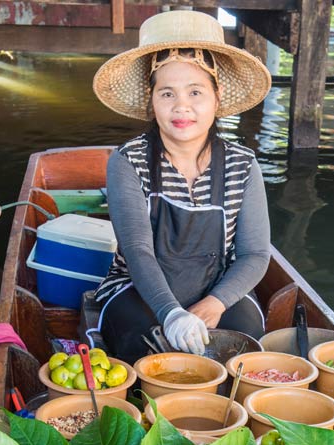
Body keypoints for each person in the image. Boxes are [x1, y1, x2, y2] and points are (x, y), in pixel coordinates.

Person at [92, 9, 272, 362]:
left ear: (217, 99)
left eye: (195, 92)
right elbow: (138, 252)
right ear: (152, 100)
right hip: (138, 290)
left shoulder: (242, 164)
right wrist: (171, 313)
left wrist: (215, 302)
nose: (182, 107)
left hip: (217, 289)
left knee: (244, 351)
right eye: (167, 94)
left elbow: (255, 254)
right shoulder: (128, 161)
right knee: (143, 354)